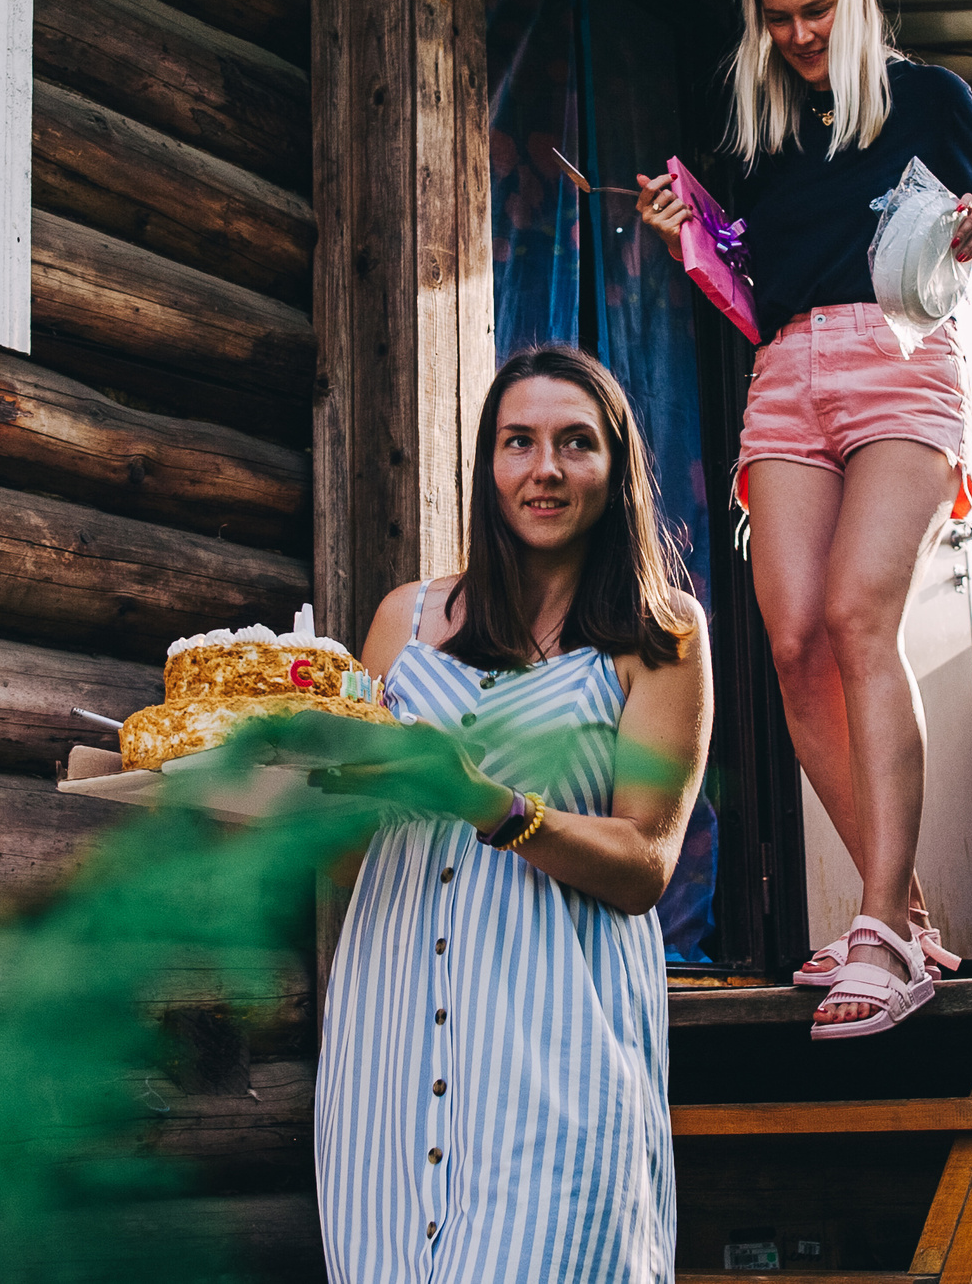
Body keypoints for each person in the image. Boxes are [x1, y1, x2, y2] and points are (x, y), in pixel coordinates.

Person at [635, 0, 972, 1041]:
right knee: (793, 639)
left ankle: (878, 926)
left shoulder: (930, 97)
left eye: (816, 10)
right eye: (780, 17)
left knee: (856, 616)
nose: (798, 34)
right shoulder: (763, 133)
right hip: (785, 372)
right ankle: (907, 917)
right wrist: (691, 238)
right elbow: (752, 290)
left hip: (900, 360)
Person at [312, 344, 713, 1282]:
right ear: (488, 465)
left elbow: (647, 863)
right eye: (518, 441)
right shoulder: (405, 619)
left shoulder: (660, 633)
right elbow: (345, 859)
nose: (545, 468)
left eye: (576, 443)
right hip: (386, 1047)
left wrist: (491, 807)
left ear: (615, 467)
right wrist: (288, 793)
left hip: (554, 1051)